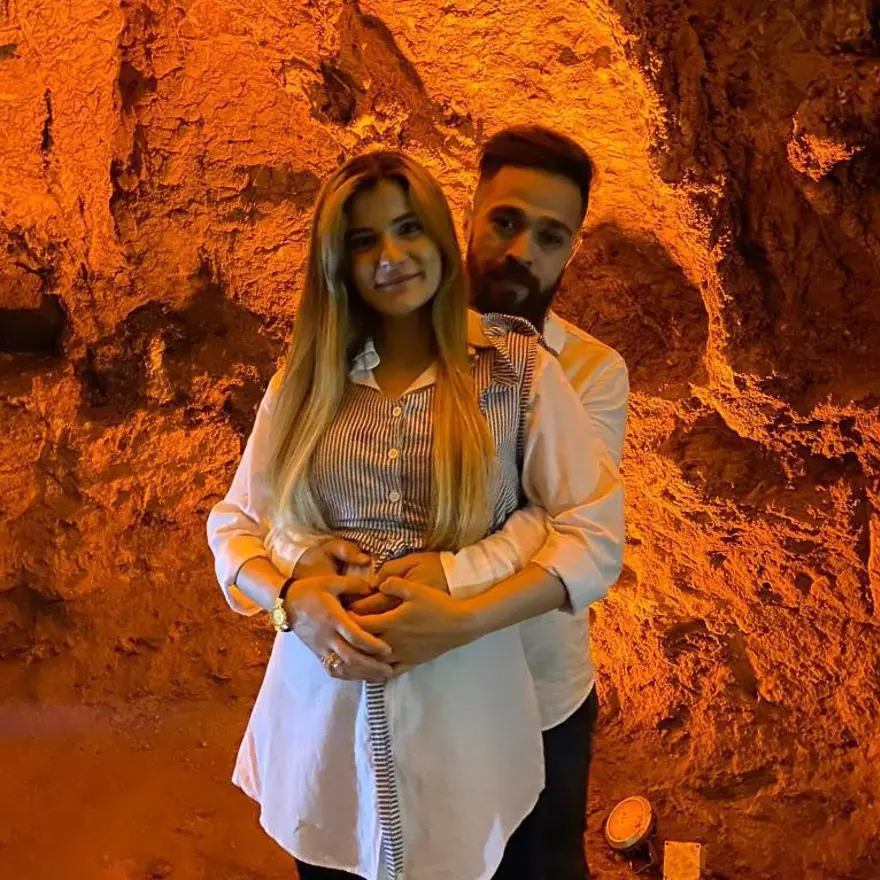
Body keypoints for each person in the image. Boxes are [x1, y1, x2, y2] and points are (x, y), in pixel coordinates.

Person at [206, 150, 624, 880]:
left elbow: (583, 529)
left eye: (407, 229)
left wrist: (457, 611)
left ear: (437, 233)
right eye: (363, 240)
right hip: (326, 711)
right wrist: (290, 599)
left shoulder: (522, 372)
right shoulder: (306, 377)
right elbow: (237, 524)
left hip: (474, 703)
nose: (392, 258)